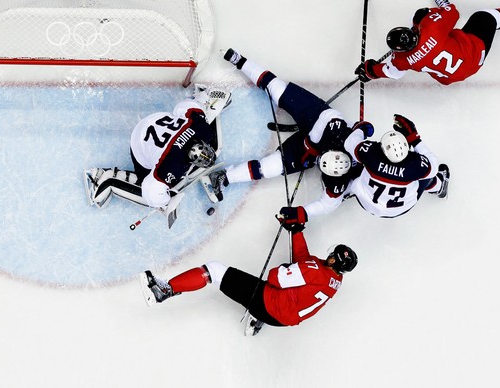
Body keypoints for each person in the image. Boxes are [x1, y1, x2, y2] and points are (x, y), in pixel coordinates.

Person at [208, 48, 366, 217]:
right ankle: (240, 60)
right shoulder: (352, 142)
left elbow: (327, 205)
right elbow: (365, 127)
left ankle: (225, 177)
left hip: (311, 151)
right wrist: (312, 147)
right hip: (318, 120)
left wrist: (301, 213)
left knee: (269, 168)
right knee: (277, 90)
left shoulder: (339, 183)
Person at [140, 216, 357, 335]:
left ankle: (165, 290)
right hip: (283, 320)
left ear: (333, 260)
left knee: (214, 271)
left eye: (331, 255)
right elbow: (305, 263)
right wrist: (296, 230)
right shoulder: (335, 279)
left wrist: (284, 268)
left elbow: (275, 278)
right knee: (285, 292)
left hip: (268, 304)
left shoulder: (315, 270)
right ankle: (257, 320)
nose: (328, 256)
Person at [278, 114, 450, 222]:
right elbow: (432, 165)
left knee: (357, 178)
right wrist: (414, 138)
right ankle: (439, 187)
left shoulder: (372, 155)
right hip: (400, 208)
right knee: (427, 177)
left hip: (366, 202)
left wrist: (360, 129)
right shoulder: (414, 164)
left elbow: (351, 142)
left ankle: (349, 191)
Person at [84, 85, 231, 209]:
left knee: (199, 121)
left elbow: (183, 106)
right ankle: (106, 179)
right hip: (139, 143)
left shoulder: (202, 130)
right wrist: (166, 201)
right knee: (164, 185)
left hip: (157, 120)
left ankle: (202, 95)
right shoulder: (171, 165)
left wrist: (200, 105)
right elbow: (151, 192)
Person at [355, 0, 500, 85]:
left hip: (448, 78)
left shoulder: (401, 60)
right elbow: (454, 13)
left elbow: (391, 73)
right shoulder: (432, 29)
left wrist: (371, 71)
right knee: (484, 17)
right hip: (473, 55)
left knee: (437, 29)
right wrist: (429, 16)